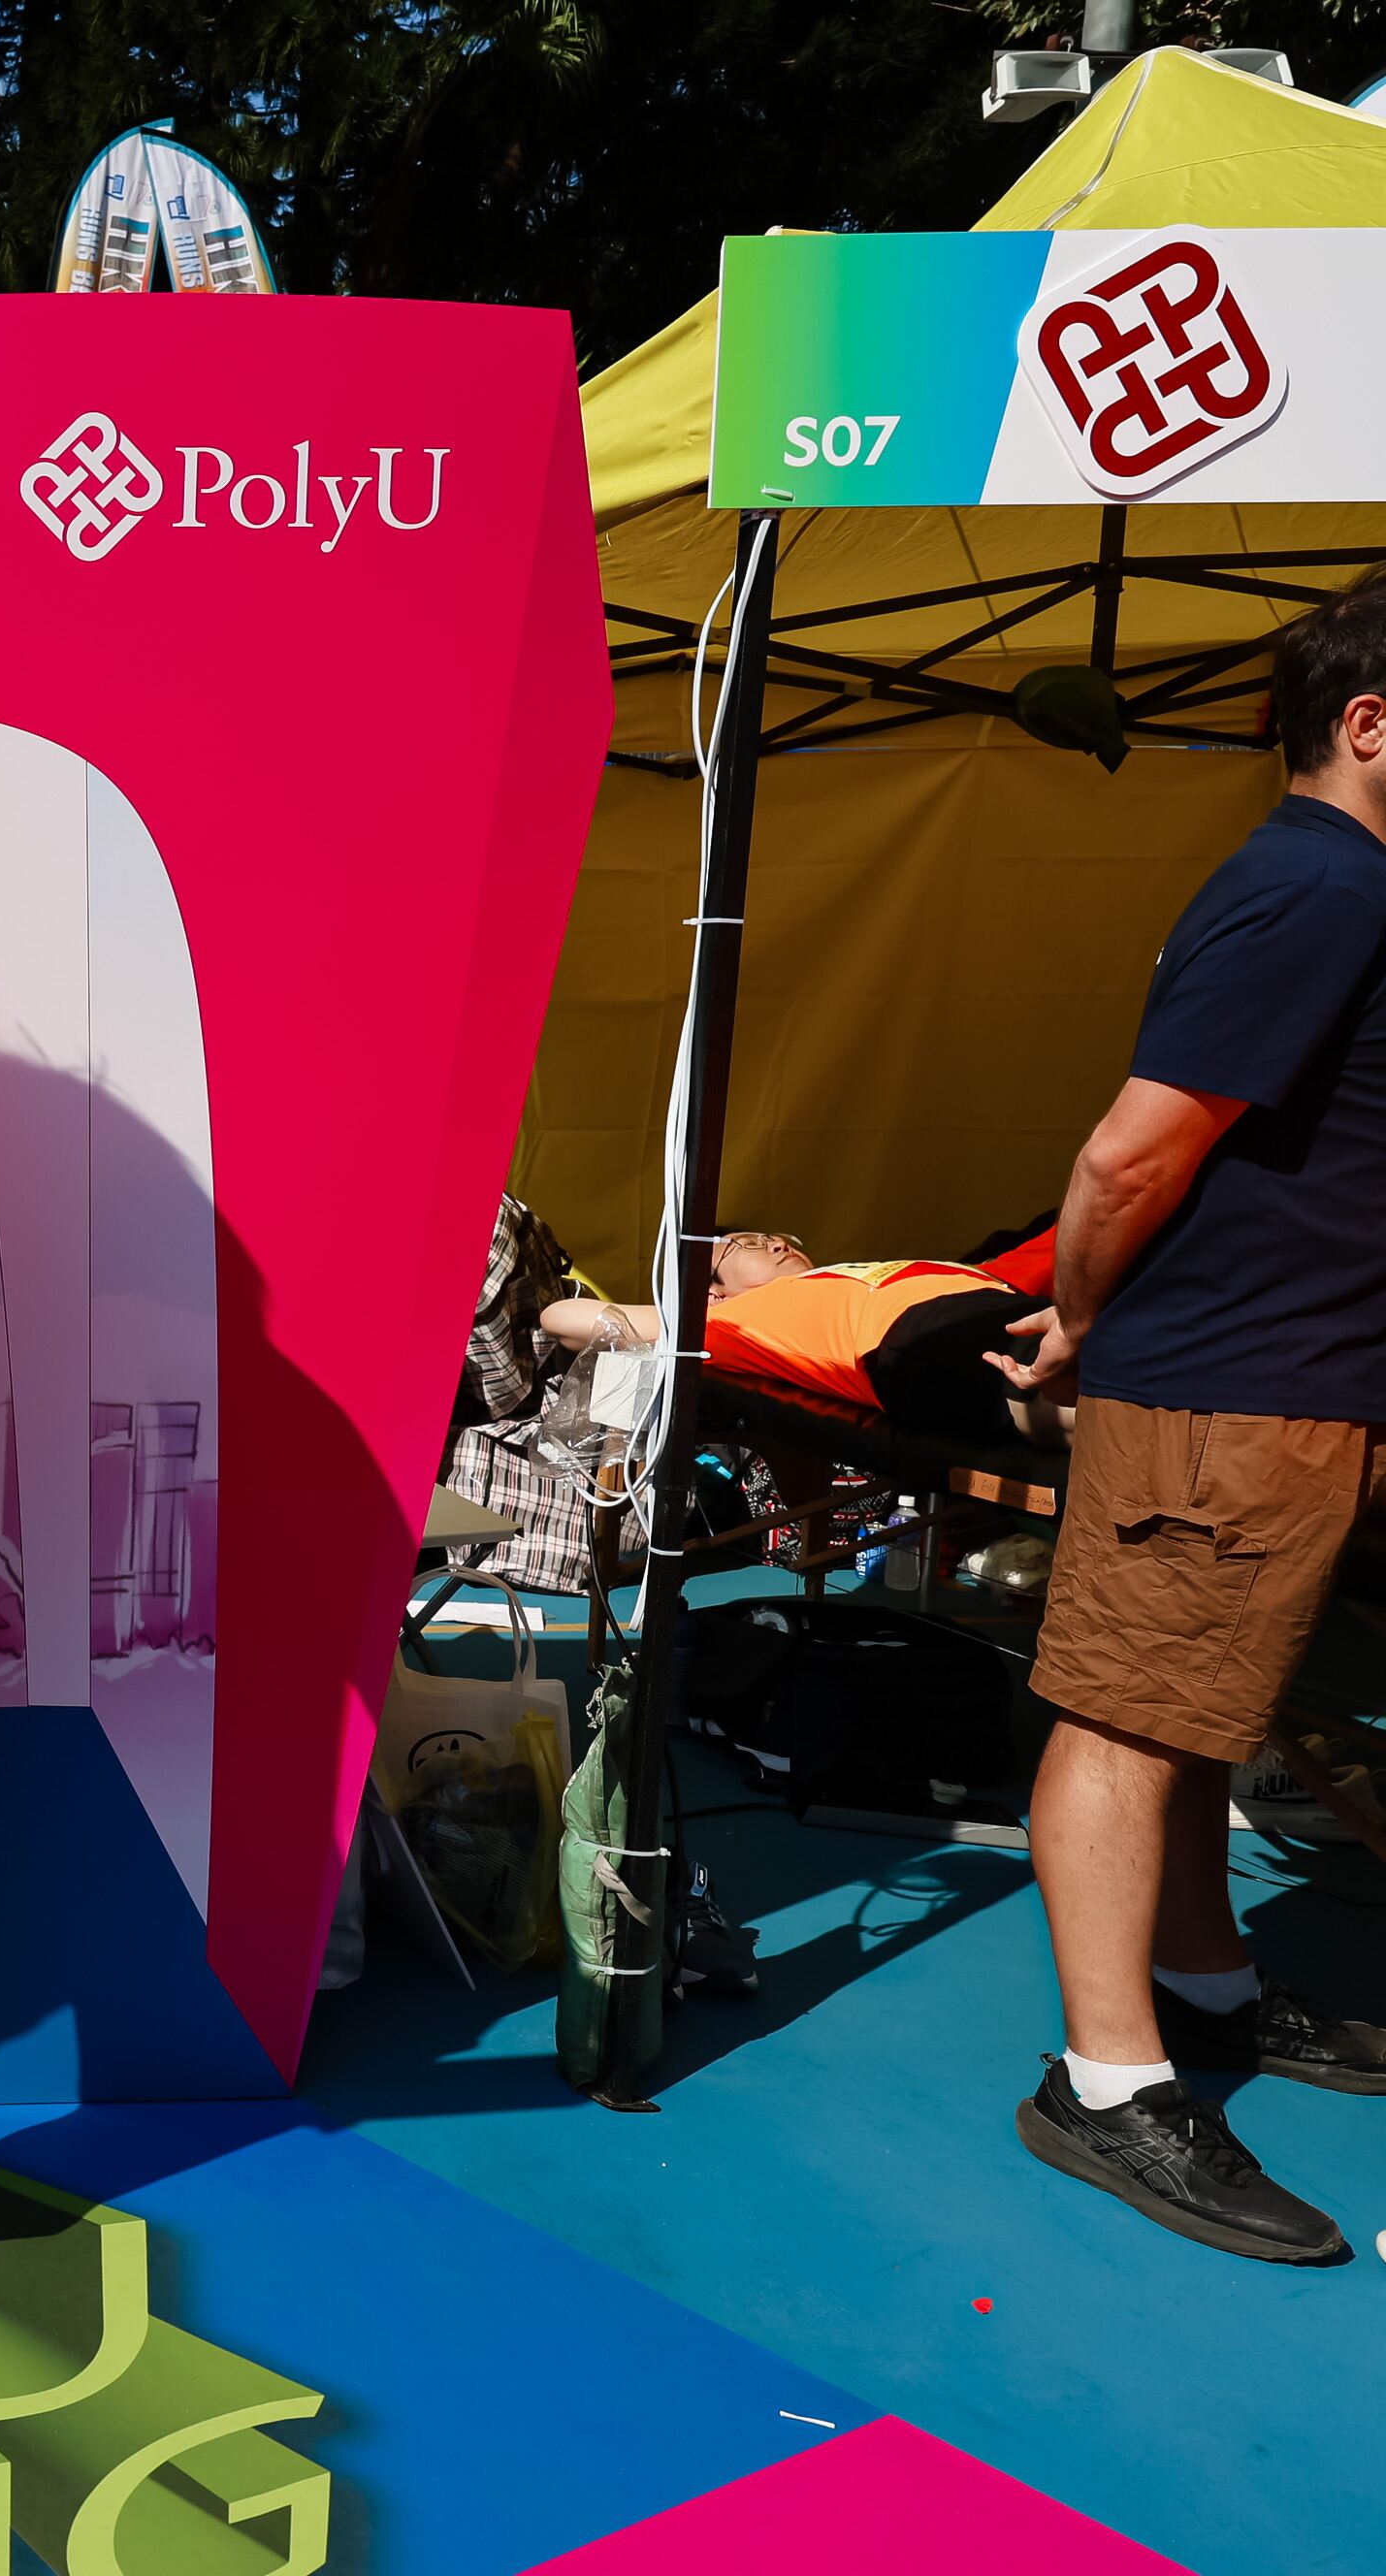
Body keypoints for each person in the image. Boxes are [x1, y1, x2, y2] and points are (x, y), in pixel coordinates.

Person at [993, 567, 1386, 2266]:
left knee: (1193, 1707)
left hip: (1275, 1380)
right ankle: (1103, 2082)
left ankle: (1200, 1988)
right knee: (1127, 1715)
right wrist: (1082, 1318)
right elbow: (1124, 1153)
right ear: (1365, 724)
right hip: (1227, 1382)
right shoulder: (1318, 887)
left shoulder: (1326, 885)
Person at [538, 1230, 1070, 1444]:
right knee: (1076, 1399)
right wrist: (681, 1311)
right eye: (742, 1245)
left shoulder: (920, 1267)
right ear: (713, 1294)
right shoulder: (736, 1320)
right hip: (910, 1344)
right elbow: (561, 1318)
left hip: (1016, 1311)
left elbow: (1071, 1231)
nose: (770, 1243)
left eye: (772, 1237)